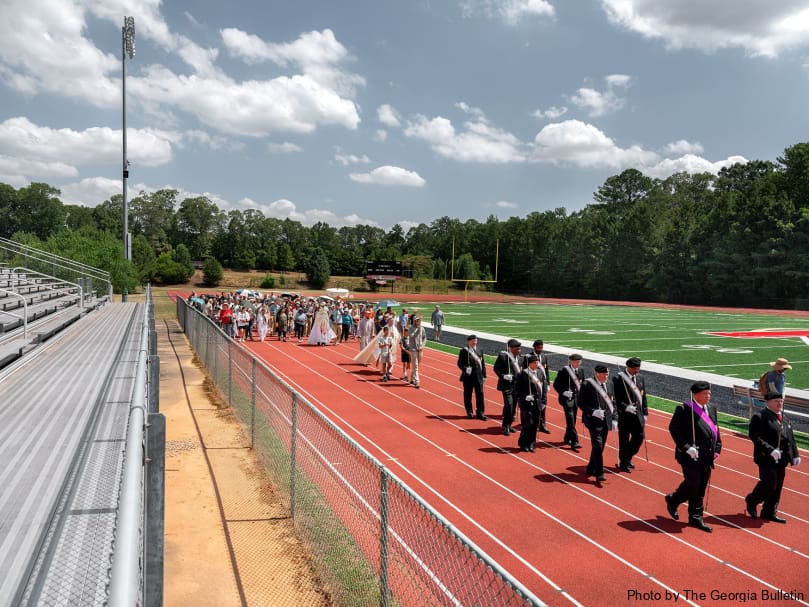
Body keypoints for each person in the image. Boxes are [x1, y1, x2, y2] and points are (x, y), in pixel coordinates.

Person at [665, 381, 722, 533]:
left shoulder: (712, 408)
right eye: (705, 393)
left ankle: (696, 517)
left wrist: (717, 448)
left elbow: (715, 430)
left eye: (709, 393)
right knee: (693, 483)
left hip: (706, 456)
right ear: (695, 394)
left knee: (701, 485)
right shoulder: (684, 409)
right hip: (690, 455)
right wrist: (687, 447)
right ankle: (674, 499)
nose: (708, 396)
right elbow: (674, 429)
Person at [745, 392, 801, 523]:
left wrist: (795, 454)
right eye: (776, 401)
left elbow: (790, 437)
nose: (779, 403)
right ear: (767, 402)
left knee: (778, 486)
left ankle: (769, 511)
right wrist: (770, 450)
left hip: (782, 458)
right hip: (766, 458)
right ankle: (752, 500)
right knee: (770, 483)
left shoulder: (784, 417)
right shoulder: (759, 417)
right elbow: (755, 437)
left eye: (781, 401)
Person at [579, 365, 616, 482]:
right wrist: (593, 411)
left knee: (600, 446)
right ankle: (599, 472)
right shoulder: (587, 385)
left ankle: (591, 467)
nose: (607, 376)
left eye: (607, 374)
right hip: (593, 420)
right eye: (604, 374)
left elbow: (613, 403)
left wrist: (615, 418)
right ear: (597, 374)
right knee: (598, 445)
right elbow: (580, 403)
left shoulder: (610, 384)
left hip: (605, 420)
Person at [613, 357, 649, 472]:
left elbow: (643, 396)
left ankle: (627, 457)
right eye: (634, 368)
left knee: (639, 437)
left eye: (638, 368)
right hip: (624, 416)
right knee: (624, 440)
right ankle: (624, 463)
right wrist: (625, 407)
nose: (636, 371)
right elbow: (615, 398)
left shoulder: (640, 378)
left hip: (638, 415)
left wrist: (645, 412)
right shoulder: (618, 378)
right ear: (628, 367)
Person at [552, 353, 584, 449]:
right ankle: (575, 441)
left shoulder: (581, 370)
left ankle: (567, 437)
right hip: (567, 399)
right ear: (571, 361)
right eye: (576, 361)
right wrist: (564, 392)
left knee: (572, 420)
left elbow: (583, 384)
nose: (578, 363)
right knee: (570, 420)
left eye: (579, 361)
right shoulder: (564, 371)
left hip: (576, 399)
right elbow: (556, 385)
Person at [494, 339, 522, 435]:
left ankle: (509, 425)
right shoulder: (504, 356)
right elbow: (496, 368)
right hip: (506, 386)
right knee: (509, 405)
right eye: (517, 349)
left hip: (516, 386)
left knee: (513, 406)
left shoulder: (520, 358)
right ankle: (505, 425)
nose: (519, 351)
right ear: (511, 348)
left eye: (519, 349)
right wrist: (503, 376)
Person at [516, 354, 543, 452]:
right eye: (535, 362)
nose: (537, 364)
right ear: (530, 364)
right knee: (528, 424)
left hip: (537, 403)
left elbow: (542, 388)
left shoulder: (539, 373)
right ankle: (523, 443)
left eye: (537, 362)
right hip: (526, 404)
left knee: (535, 424)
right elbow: (517, 390)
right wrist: (525, 396)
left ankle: (531, 443)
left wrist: (543, 401)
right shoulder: (522, 374)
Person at [523, 340, 550, 434]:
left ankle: (542, 424)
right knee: (534, 406)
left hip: (542, 384)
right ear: (534, 347)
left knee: (543, 404)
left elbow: (546, 370)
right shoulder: (528, 357)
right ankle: (533, 423)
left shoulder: (544, 356)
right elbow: (525, 371)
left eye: (541, 348)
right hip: (533, 384)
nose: (540, 349)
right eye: (538, 348)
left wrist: (548, 384)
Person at [457, 334, 487, 420]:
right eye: (473, 340)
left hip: (478, 376)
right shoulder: (464, 351)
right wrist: (465, 369)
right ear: (469, 341)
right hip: (468, 377)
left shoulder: (480, 349)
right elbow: (459, 363)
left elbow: (483, 364)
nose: (475, 342)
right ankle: (469, 411)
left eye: (476, 340)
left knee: (480, 394)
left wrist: (484, 375)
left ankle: (480, 412)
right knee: (468, 394)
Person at [408, 316, 427, 388]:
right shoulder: (411, 328)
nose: (418, 322)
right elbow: (411, 336)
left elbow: (424, 338)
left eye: (419, 320)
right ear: (414, 321)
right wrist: (417, 331)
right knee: (415, 366)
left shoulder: (422, 328)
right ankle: (417, 381)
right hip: (413, 349)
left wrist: (422, 346)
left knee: (416, 365)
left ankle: (412, 378)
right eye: (416, 320)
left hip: (420, 349)